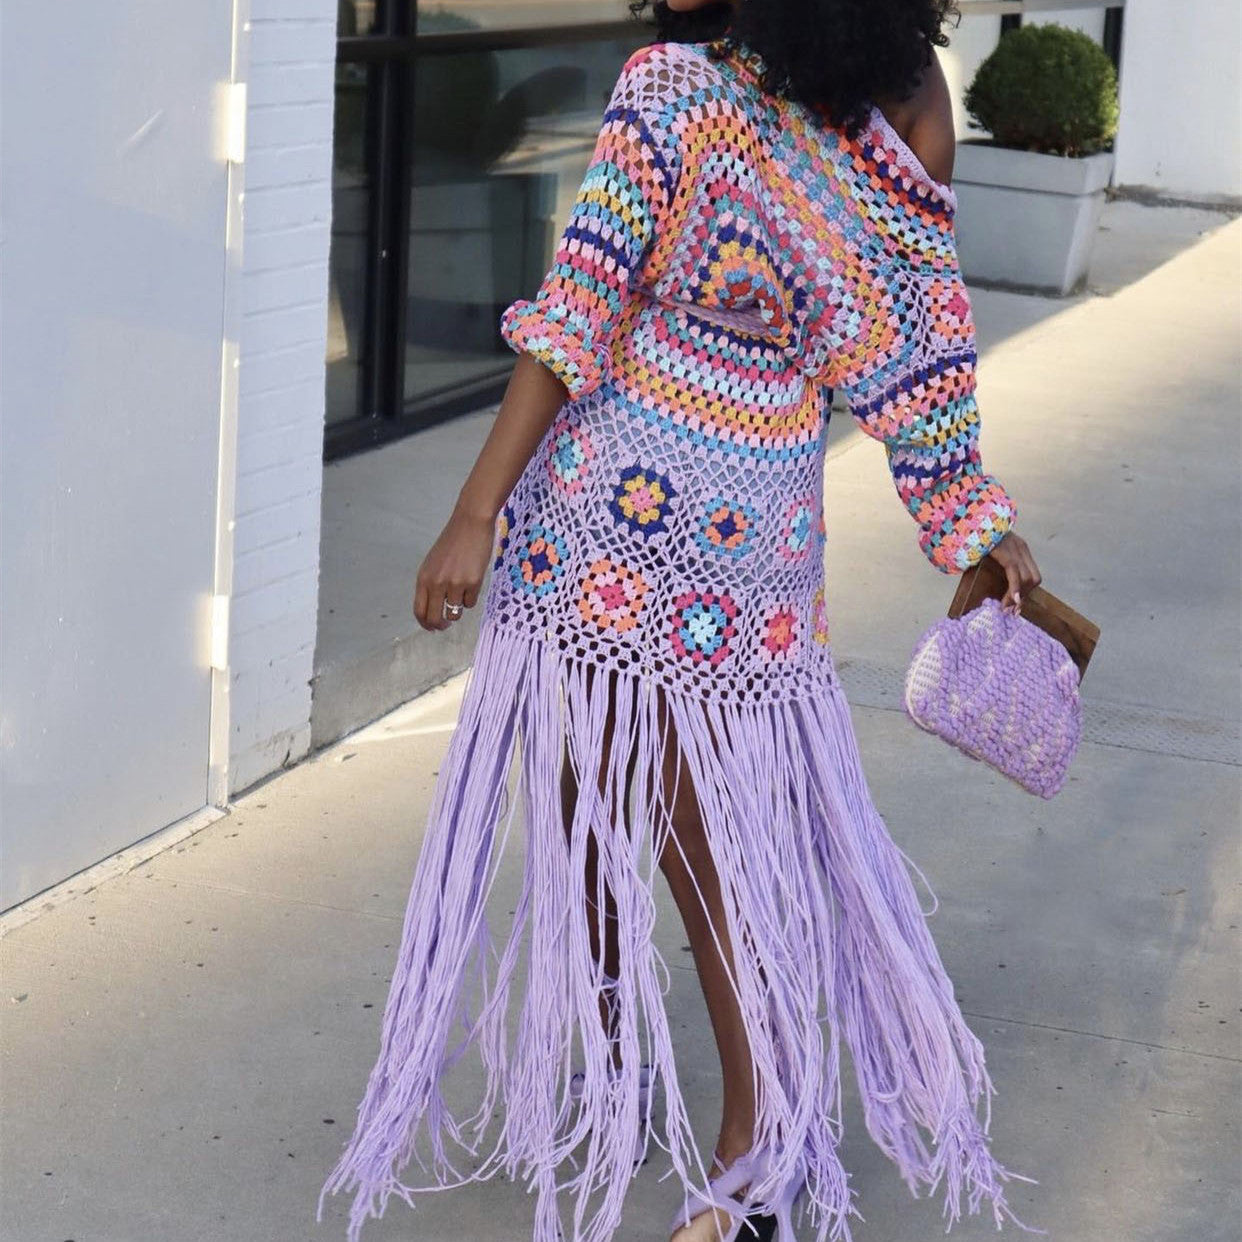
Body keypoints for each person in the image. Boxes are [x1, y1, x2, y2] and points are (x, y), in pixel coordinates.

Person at [318, 1, 1045, 1240]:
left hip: (681, 552)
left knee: (698, 845)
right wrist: (966, 514)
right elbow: (908, 354)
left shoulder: (702, 91)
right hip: (643, 536)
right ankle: (617, 1069)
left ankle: (758, 1144)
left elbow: (586, 316)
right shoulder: (862, 100)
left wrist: (475, 511)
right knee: (609, 815)